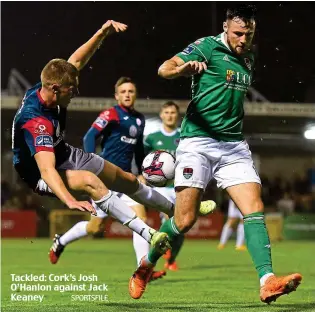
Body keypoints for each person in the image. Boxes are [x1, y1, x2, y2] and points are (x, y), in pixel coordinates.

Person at [128, 5, 302, 303]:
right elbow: (164, 68)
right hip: (197, 143)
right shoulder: (207, 46)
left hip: (233, 145)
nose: (243, 39)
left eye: (249, 34)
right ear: (225, 27)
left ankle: (267, 280)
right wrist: (182, 69)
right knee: (183, 221)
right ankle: (145, 266)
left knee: (254, 208)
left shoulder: (249, 55)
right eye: (237, 33)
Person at [12, 20, 184, 265]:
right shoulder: (36, 120)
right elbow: (47, 169)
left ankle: (174, 211)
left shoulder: (49, 85)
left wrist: (101, 33)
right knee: (90, 181)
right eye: (71, 89)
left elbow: (77, 61)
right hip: (37, 172)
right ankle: (149, 233)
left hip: (63, 152)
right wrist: (69, 199)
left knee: (127, 180)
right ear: (55, 88)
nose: (75, 93)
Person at [143, 101, 185, 271]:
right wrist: (141, 174)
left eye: (173, 113)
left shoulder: (184, 136)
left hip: (181, 186)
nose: (169, 115)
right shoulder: (152, 138)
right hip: (160, 188)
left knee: (182, 227)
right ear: (161, 115)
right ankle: (159, 254)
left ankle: (171, 258)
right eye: (166, 112)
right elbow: (142, 158)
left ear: (177, 115)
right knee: (168, 218)